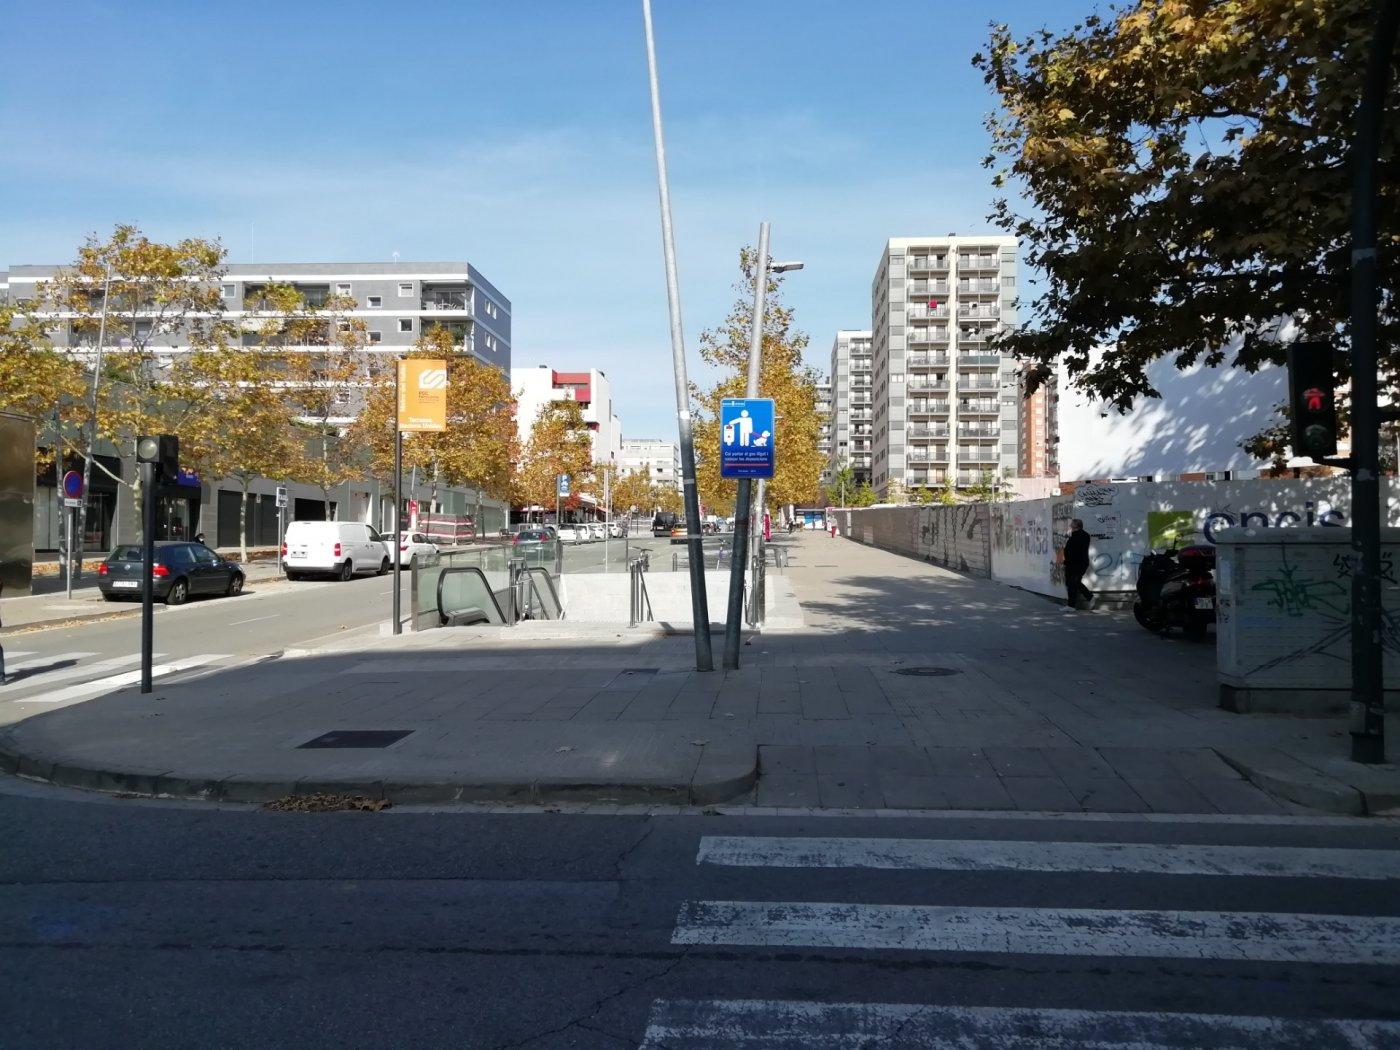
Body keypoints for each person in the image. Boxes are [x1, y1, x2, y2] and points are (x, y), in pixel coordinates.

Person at [1063, 518, 1094, 610]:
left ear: (1076, 525)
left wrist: (1067, 560)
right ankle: (1089, 597)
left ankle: (1071, 606)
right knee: (1074, 583)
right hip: (1076, 563)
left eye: (1072, 524)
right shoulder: (1081, 535)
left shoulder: (1077, 535)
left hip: (1075, 564)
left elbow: (1072, 550)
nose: (1070, 525)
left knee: (1072, 583)